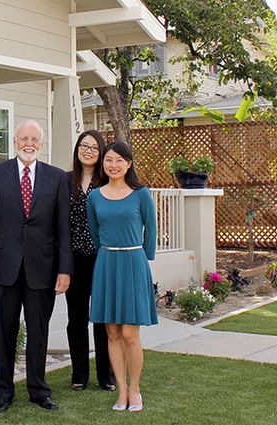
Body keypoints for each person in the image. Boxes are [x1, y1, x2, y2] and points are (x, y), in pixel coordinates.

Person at [0, 120, 72, 413]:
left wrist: (64, 269)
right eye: (24, 139)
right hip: (3, 269)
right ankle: (3, 393)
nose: (29, 143)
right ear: (15, 142)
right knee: (4, 333)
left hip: (41, 270)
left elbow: (63, 229)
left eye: (35, 139)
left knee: (39, 332)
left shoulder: (57, 178)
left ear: (41, 144)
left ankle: (39, 390)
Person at [87, 141, 158, 413]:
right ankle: (122, 390)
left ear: (129, 164)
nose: (113, 165)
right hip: (106, 263)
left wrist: (144, 261)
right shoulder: (95, 196)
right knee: (112, 332)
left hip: (133, 263)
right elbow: (95, 232)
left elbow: (150, 230)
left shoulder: (141, 194)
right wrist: (107, 253)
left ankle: (136, 389)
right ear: (103, 164)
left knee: (130, 333)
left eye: (119, 160)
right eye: (108, 160)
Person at [65, 130, 116, 392]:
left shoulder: (108, 181)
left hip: (102, 258)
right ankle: (79, 374)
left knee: (101, 317)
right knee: (77, 319)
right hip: (74, 261)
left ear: (101, 153)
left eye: (93, 148)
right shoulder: (65, 181)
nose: (87, 151)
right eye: (83, 146)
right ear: (77, 150)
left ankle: (105, 375)